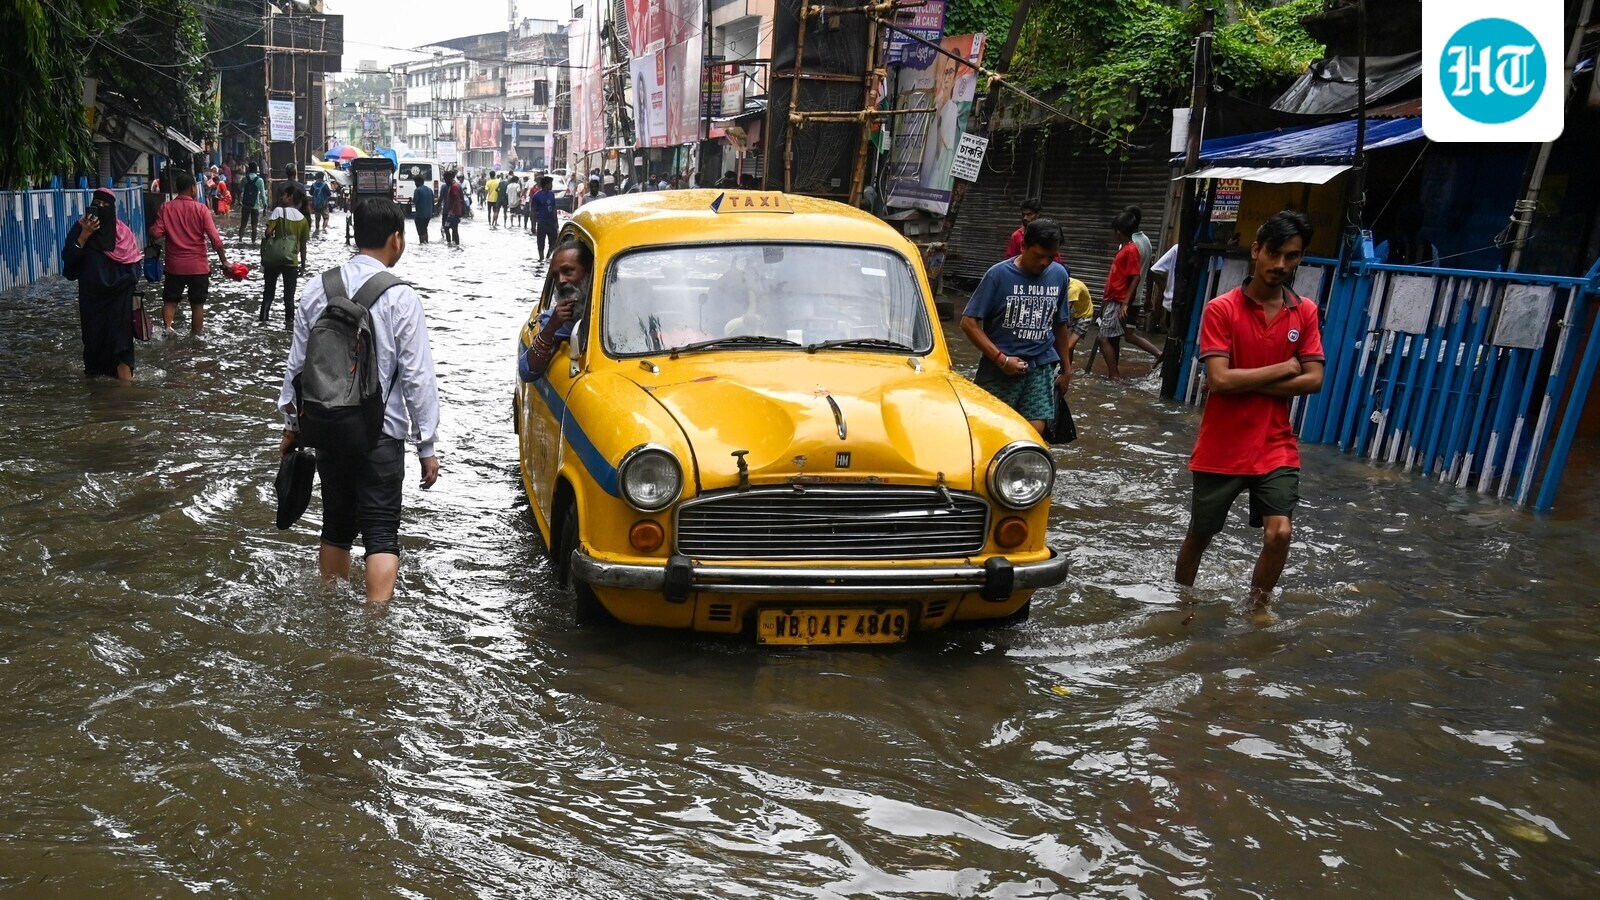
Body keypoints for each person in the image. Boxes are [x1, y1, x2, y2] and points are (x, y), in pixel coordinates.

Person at [276, 198, 441, 604]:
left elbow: (298, 364)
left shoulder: (319, 287)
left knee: (335, 524)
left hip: (327, 428)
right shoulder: (402, 298)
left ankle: (332, 610)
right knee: (381, 531)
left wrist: (292, 426)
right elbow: (419, 376)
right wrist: (427, 445)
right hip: (380, 434)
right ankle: (374, 625)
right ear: (396, 240)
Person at [1175, 210, 1325, 608]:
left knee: (1280, 533)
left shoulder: (1304, 311)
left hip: (1275, 443)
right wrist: (1286, 366)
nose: (1280, 265)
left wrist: (1246, 379)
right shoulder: (1221, 309)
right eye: (1273, 253)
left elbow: (1314, 380)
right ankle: (1182, 601)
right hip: (1221, 447)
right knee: (1200, 535)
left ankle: (1257, 608)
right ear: (1256, 250)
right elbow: (1220, 381)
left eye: (1291, 257)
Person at [958, 218, 1074, 435]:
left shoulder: (1059, 275)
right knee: (990, 431)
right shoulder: (998, 275)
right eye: (1038, 256)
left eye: (1051, 257)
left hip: (1040, 366)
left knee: (1032, 433)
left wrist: (1067, 370)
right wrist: (1001, 359)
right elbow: (968, 322)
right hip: (999, 368)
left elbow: (1060, 324)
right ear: (1023, 247)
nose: (1044, 263)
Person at [62, 188, 142, 381]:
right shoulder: (80, 228)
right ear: (91, 206)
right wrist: (85, 235)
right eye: (98, 205)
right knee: (93, 345)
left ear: (113, 209)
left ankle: (127, 399)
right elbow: (69, 260)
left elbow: (135, 265)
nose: (102, 209)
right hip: (92, 301)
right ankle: (97, 404)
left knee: (122, 347)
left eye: (107, 206)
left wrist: (128, 283)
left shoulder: (123, 233)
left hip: (119, 299)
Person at [150, 170, 230, 336]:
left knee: (170, 301)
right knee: (197, 305)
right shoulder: (201, 210)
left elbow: (155, 234)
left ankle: (167, 331)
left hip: (174, 267)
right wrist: (224, 261)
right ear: (193, 188)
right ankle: (196, 340)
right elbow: (215, 238)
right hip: (198, 267)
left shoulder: (167, 208)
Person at [1088, 207, 1163, 379]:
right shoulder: (1142, 243)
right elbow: (1145, 272)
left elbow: (1136, 276)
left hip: (1121, 299)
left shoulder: (1131, 248)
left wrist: (1125, 302)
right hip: (1120, 298)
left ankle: (1114, 375)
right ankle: (1114, 373)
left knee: (1105, 337)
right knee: (1114, 337)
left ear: (1119, 231)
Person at [518, 240, 593, 382]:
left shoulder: (618, 307)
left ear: (589, 271)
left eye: (568, 271)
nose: (561, 281)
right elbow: (527, 371)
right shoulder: (557, 320)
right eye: (556, 276)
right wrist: (551, 328)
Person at [260, 183, 309, 327]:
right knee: (289, 298)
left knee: (268, 293)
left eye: (284, 195)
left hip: (274, 259)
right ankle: (289, 325)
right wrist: (303, 265)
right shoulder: (303, 219)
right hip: (291, 261)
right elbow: (303, 245)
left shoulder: (278, 211)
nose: (282, 197)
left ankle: (263, 322)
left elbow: (268, 232)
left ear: (290, 197)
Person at [237, 162, 268, 242]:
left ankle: (240, 240)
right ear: (256, 170)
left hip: (245, 205)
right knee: (254, 226)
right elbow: (263, 195)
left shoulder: (245, 179)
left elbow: (239, 189)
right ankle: (253, 242)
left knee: (243, 224)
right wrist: (265, 206)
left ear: (249, 169)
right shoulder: (259, 180)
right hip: (255, 206)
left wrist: (239, 200)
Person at [531, 175, 559, 261]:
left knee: (553, 242)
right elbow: (533, 211)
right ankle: (541, 259)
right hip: (541, 222)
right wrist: (533, 225)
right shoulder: (536, 196)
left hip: (551, 222)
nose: (552, 186)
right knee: (541, 243)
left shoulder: (552, 194)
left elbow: (554, 208)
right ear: (546, 185)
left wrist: (556, 222)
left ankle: (547, 257)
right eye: (551, 184)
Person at [441, 169, 465, 247]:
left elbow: (456, 199)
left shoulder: (454, 186)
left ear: (448, 178)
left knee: (447, 227)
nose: (445, 181)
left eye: (445, 179)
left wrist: (451, 211)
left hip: (454, 213)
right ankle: (455, 245)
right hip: (456, 212)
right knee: (454, 229)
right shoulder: (456, 185)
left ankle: (450, 244)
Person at [410, 174, 434, 243]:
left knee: (420, 232)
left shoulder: (417, 190)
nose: (415, 184)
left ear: (418, 182)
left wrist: (411, 200)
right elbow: (433, 201)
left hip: (420, 215)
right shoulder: (430, 190)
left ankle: (422, 245)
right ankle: (426, 243)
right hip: (428, 214)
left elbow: (415, 201)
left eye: (415, 182)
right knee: (425, 229)